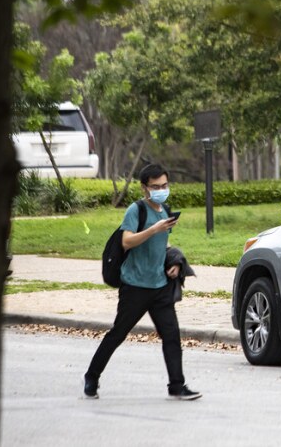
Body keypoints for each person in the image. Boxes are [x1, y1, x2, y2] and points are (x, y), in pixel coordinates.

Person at [83, 163, 201, 401]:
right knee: (117, 334)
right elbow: (127, 241)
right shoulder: (136, 210)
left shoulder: (165, 209)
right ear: (144, 188)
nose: (161, 189)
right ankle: (91, 377)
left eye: (165, 185)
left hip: (159, 287)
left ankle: (177, 386)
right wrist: (154, 229)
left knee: (171, 337)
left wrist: (174, 264)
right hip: (135, 287)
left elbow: (163, 245)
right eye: (155, 186)